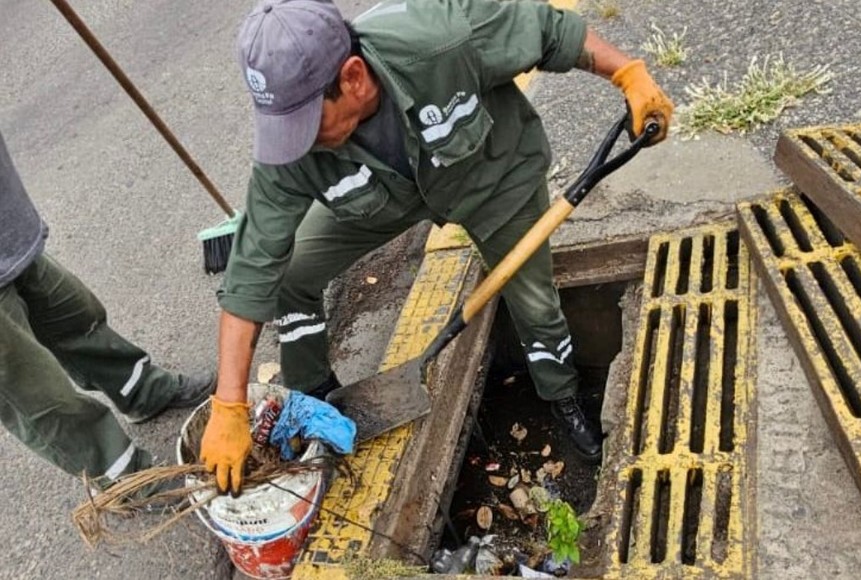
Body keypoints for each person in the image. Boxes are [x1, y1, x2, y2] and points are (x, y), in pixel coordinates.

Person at [201, 0, 674, 495]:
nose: (293, 144)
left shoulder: (444, 37)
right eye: (283, 128)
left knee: (533, 300)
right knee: (291, 273)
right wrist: (229, 402)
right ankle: (317, 395)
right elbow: (252, 266)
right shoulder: (290, 148)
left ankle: (561, 392)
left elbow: (554, 32)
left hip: (492, 175)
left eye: (306, 124)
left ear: (354, 77)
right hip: (380, 199)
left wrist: (629, 76)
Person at [0, 130, 216, 491]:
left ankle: (142, 391)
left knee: (76, 317)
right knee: (40, 395)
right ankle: (126, 480)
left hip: (11, 234)